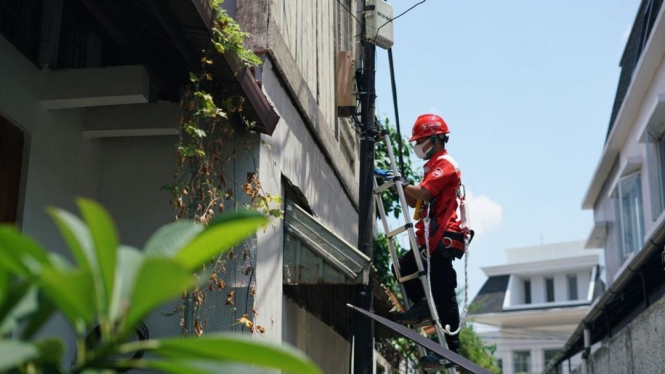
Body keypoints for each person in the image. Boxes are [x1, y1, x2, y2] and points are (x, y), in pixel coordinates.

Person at [394, 114, 468, 368]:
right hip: (430, 238)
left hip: (444, 237)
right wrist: (401, 185)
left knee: (444, 292)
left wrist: (402, 183)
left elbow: (424, 193)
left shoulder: (445, 164)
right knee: (404, 267)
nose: (417, 146)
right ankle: (425, 306)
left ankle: (451, 352)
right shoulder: (432, 167)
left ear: (435, 139)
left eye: (421, 141)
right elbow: (418, 199)